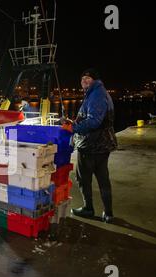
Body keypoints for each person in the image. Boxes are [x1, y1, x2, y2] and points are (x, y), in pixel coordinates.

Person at [66, 68, 118, 223]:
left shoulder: (96, 94)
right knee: (103, 179)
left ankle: (88, 209)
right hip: (103, 144)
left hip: (91, 145)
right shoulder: (99, 93)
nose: (84, 81)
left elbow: (94, 121)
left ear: (95, 80)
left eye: (88, 78)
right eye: (82, 79)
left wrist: (73, 128)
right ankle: (108, 213)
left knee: (84, 178)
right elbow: (94, 118)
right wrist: (74, 122)